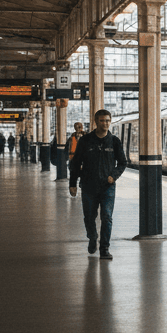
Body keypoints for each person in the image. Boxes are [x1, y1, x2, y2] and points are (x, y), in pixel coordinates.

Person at [69, 109, 127, 259]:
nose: (105, 123)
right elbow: (76, 163)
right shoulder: (85, 141)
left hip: (107, 187)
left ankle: (104, 249)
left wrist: (114, 176)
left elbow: (122, 162)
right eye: (102, 121)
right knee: (89, 217)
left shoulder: (114, 141)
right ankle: (93, 237)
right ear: (96, 122)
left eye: (107, 120)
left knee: (107, 217)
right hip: (88, 186)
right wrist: (72, 183)